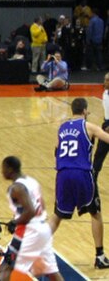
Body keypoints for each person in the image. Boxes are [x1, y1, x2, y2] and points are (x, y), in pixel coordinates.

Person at [49, 98, 109, 269]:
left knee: (57, 216)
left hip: (62, 174)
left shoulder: (62, 128)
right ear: (85, 111)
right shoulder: (89, 126)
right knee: (95, 213)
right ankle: (100, 256)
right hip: (81, 173)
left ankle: (36, 249)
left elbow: (56, 150)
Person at [0, 156, 62, 280]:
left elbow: (30, 211)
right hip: (43, 229)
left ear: (10, 169)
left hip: (28, 231)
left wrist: (15, 222)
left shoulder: (16, 188)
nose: (2, 171)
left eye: (4, 168)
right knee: (52, 271)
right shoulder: (31, 181)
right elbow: (41, 206)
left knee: (6, 266)